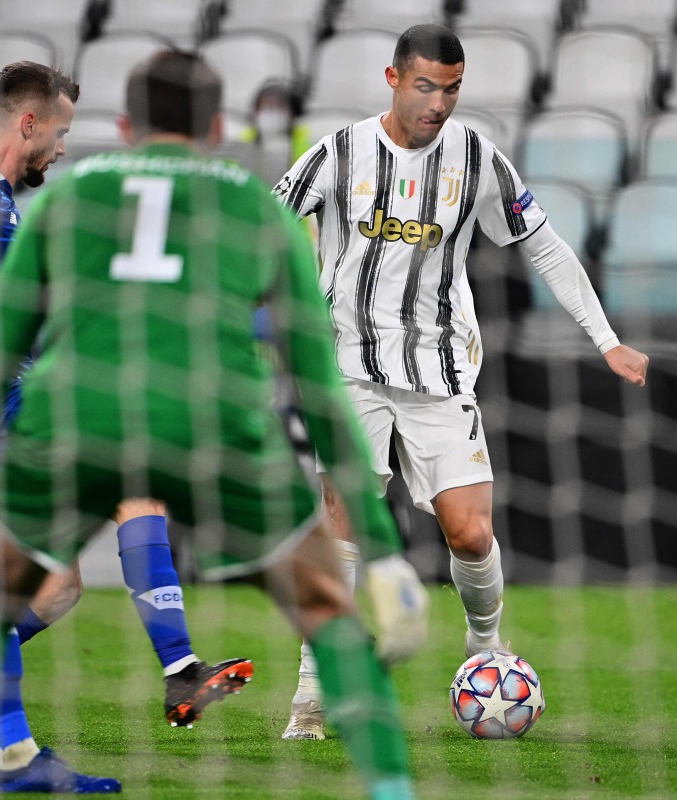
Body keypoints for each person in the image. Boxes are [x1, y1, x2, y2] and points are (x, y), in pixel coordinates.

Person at [0, 49, 429, 800]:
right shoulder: (255, 205)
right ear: (217, 129)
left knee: (7, 599)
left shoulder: (69, 199)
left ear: (127, 129)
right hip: (215, 426)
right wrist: (382, 552)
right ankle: (389, 787)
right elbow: (319, 385)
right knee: (328, 610)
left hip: (74, 419)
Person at [272, 23, 650, 740]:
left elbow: (545, 246)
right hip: (347, 367)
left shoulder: (477, 159)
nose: (439, 103)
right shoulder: (339, 153)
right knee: (344, 517)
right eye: (425, 87)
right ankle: (313, 694)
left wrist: (606, 339)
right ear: (393, 79)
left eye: (451, 89)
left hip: (440, 371)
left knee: (470, 533)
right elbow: (263, 224)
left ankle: (485, 647)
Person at [0, 61, 252, 792]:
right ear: (29, 123)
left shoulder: (4, 201)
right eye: (61, 131)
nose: (64, 147)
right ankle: (178, 670)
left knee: (58, 589)